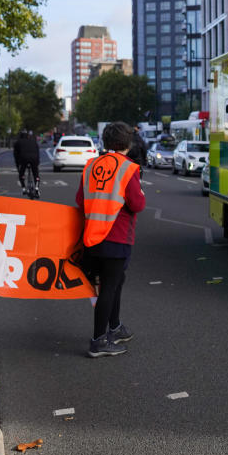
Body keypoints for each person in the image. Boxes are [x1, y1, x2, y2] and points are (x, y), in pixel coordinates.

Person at [76, 122, 145, 357]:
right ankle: (98, 341)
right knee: (109, 287)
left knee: (114, 283)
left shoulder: (90, 165)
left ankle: (114, 328)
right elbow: (137, 204)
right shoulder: (128, 168)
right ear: (128, 143)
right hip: (117, 237)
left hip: (92, 236)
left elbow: (80, 199)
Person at [13, 131, 41, 197]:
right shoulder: (33, 141)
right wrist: (37, 162)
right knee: (36, 174)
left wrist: (18, 167)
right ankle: (36, 189)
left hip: (24, 159)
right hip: (34, 159)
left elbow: (16, 155)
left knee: (21, 174)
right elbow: (37, 152)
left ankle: (24, 188)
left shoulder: (18, 142)